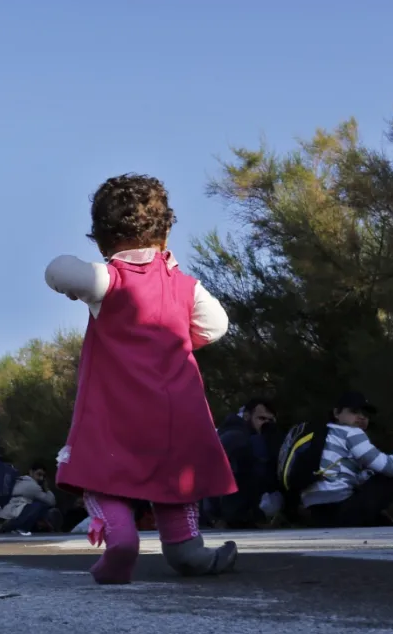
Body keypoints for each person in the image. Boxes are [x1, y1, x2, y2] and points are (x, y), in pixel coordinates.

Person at [45, 175, 239, 584]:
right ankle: (188, 551)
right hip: (178, 415)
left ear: (101, 239)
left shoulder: (109, 280)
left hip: (118, 414)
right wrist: (176, 340)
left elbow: (58, 270)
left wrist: (76, 288)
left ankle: (121, 540)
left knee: (102, 476)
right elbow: (217, 326)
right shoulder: (186, 287)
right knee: (176, 482)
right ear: (166, 232)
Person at [301, 391, 393, 528]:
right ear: (336, 413)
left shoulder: (324, 437)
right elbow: (390, 467)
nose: (362, 417)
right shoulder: (350, 432)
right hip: (341, 510)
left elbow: (352, 479)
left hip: (318, 517)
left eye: (365, 414)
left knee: (386, 524)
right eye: (354, 411)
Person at [216, 398, 282, 527]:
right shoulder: (242, 439)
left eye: (270, 420)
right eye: (261, 418)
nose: (266, 424)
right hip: (236, 514)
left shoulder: (231, 434)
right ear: (247, 416)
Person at [0, 461, 60, 535]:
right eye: (39, 474)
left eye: (43, 476)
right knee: (40, 506)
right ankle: (19, 528)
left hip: (3, 514)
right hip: (10, 516)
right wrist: (47, 488)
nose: (41, 478)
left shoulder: (20, 481)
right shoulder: (32, 485)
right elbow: (51, 501)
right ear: (31, 472)